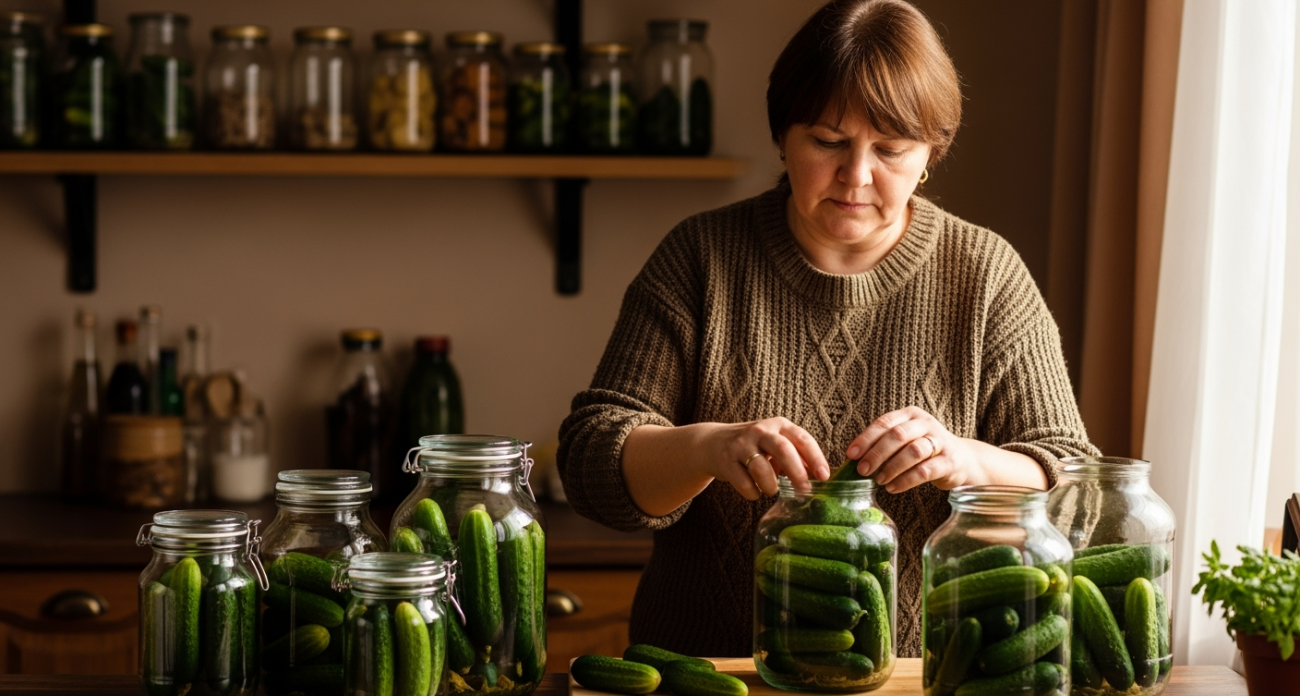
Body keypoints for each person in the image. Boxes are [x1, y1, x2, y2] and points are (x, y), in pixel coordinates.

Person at [557, 0, 1098, 658]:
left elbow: (1078, 491)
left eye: (891, 150)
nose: (857, 176)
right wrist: (706, 448)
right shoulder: (700, 257)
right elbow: (590, 462)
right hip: (708, 671)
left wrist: (965, 460)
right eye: (828, 141)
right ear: (783, 136)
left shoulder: (986, 275)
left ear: (930, 154)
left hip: (921, 678)